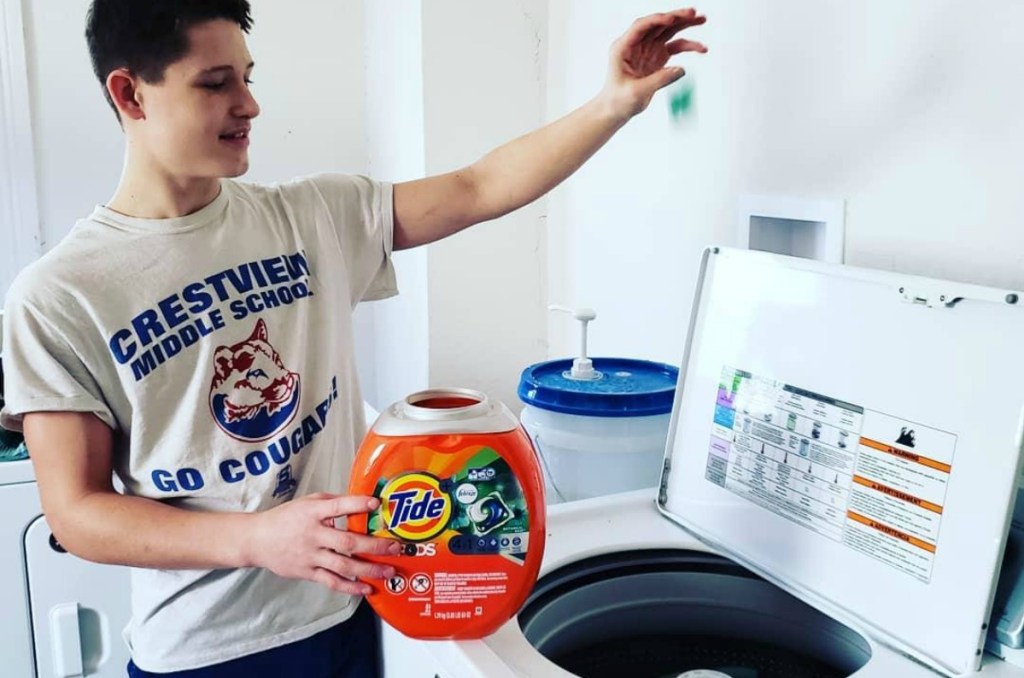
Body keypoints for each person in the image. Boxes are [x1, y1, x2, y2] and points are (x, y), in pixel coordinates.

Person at [0, 1, 707, 676]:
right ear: (130, 94)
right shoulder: (59, 295)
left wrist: (614, 102)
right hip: (206, 650)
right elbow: (78, 512)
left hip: (352, 613)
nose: (248, 105)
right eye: (215, 84)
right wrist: (257, 539)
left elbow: (477, 186)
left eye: (247, 78)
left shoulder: (311, 217)